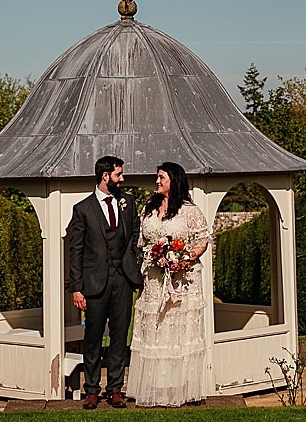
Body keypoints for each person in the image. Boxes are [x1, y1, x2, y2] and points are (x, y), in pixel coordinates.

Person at [124, 161, 212, 407]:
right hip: (154, 279)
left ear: (174, 180)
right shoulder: (149, 209)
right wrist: (157, 258)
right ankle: (154, 386)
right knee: (156, 327)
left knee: (179, 330)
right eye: (157, 177)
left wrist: (182, 260)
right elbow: (142, 243)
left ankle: (180, 388)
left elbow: (201, 241)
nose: (157, 181)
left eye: (161, 177)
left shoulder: (189, 211)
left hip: (182, 281)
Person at [68, 155, 142, 409]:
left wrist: (132, 267)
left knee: (120, 336)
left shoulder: (128, 203)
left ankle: (115, 389)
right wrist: (76, 287)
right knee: (93, 337)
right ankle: (91, 390)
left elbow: (134, 237)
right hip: (94, 282)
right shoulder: (82, 209)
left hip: (122, 280)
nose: (122, 179)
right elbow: (75, 251)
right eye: (119, 174)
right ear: (105, 176)